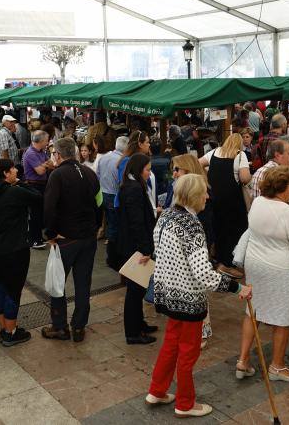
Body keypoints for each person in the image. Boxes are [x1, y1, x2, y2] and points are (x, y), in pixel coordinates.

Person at [146, 174, 251, 418]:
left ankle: (157, 390)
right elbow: (204, 274)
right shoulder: (192, 225)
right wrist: (237, 287)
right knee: (188, 353)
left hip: (167, 295)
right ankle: (185, 404)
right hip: (188, 300)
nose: (207, 196)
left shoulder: (167, 216)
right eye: (204, 192)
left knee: (171, 345)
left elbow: (157, 249)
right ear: (194, 195)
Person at [235, 167, 289, 383]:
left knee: (253, 311)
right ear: (283, 187)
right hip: (279, 268)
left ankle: (243, 360)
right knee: (283, 318)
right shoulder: (288, 212)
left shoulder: (258, 203)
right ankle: (277, 366)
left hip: (254, 264)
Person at [40, 138, 102, 343]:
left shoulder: (57, 175)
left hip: (66, 239)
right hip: (88, 238)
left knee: (58, 283)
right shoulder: (90, 173)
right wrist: (95, 226)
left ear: (58, 154)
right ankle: (78, 326)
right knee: (83, 283)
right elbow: (99, 203)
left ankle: (59, 326)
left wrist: (50, 234)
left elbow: (49, 207)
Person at [0, 158, 41, 346]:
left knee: (0, 286)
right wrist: (20, 183)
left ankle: (4, 328)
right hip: (14, 250)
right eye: (13, 169)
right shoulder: (15, 192)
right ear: (6, 173)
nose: (16, 172)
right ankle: (11, 332)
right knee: (14, 290)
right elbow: (37, 197)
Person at [116, 153, 158, 345]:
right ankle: (132, 332)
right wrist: (145, 249)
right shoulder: (133, 189)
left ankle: (139, 323)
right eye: (148, 170)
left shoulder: (133, 185)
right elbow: (136, 222)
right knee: (134, 291)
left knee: (139, 288)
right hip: (135, 248)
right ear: (139, 170)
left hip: (136, 245)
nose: (150, 173)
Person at [198, 133, 250, 267]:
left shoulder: (214, 152)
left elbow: (197, 163)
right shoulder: (240, 155)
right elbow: (244, 178)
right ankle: (231, 262)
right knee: (235, 230)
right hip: (233, 201)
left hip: (215, 199)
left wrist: (207, 178)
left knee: (218, 228)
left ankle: (219, 259)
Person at [22, 130, 53, 250]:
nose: (47, 143)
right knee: (35, 214)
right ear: (40, 141)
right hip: (33, 186)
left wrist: (43, 165)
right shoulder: (31, 153)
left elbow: (51, 164)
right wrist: (45, 165)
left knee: (40, 213)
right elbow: (40, 171)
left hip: (41, 185)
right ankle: (34, 240)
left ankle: (38, 237)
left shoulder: (40, 152)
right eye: (46, 141)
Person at [98, 136, 128, 252]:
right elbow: (122, 181)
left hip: (103, 193)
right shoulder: (121, 161)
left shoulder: (104, 157)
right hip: (114, 194)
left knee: (110, 219)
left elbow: (98, 175)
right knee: (114, 221)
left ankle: (110, 240)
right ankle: (112, 246)